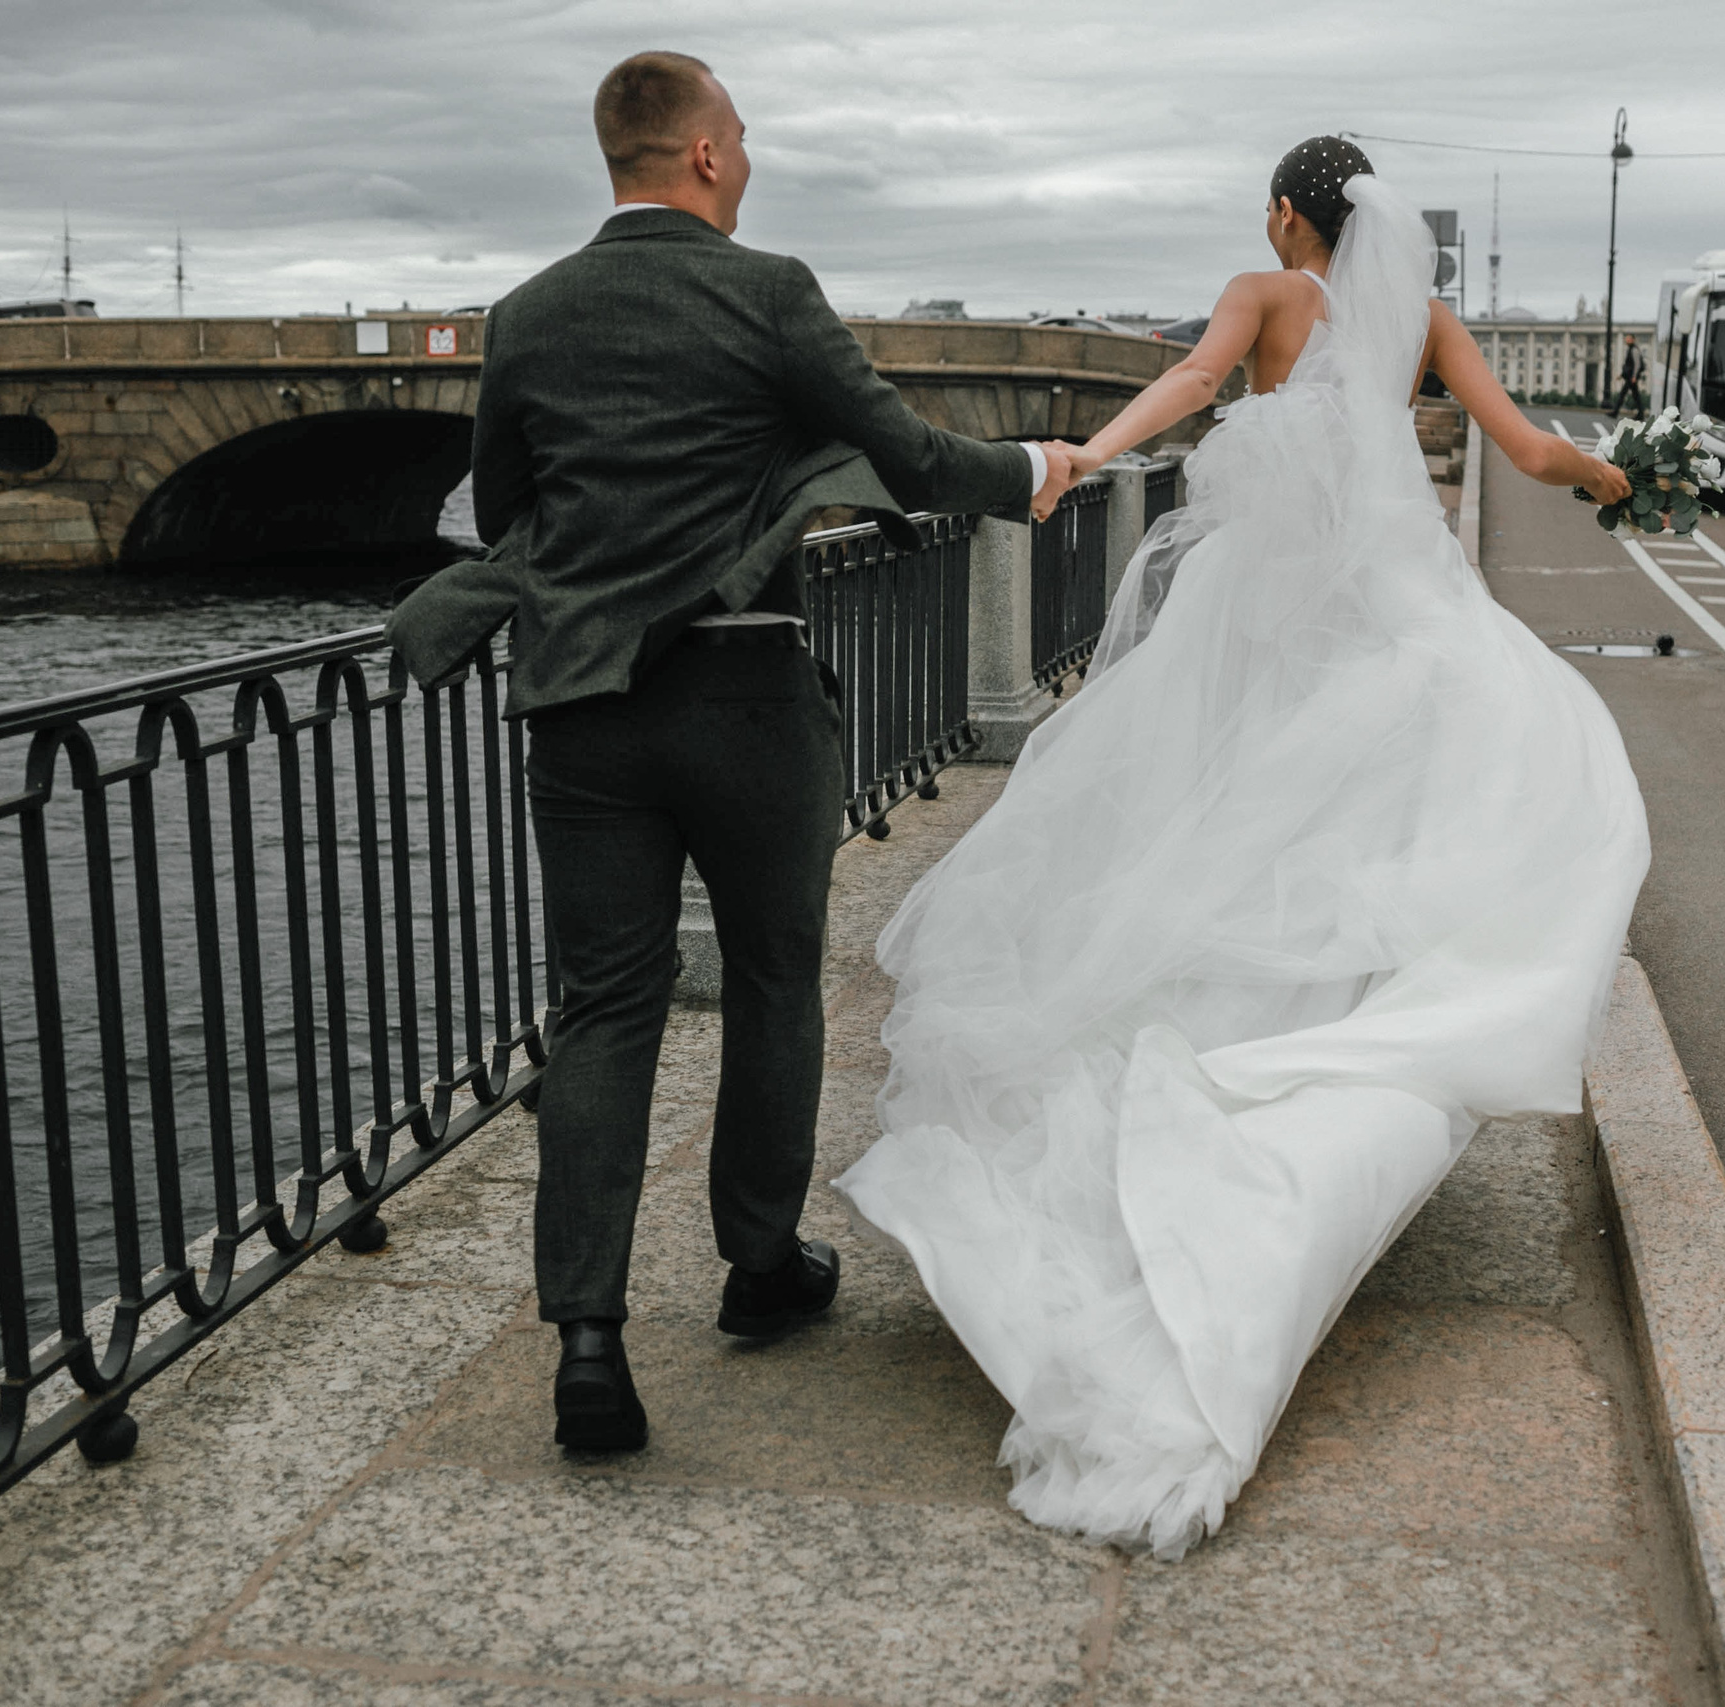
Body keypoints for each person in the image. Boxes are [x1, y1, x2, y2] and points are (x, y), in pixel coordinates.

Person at [836, 138, 1649, 1558]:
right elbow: (1524, 451)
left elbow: (1195, 385)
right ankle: (1344, 1034)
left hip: (1271, 618)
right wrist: (1615, 475)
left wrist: (1088, 449)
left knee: (1209, 825)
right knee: (1381, 831)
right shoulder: (1421, 323)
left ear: (1288, 215)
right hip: (1397, 616)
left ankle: (1221, 1057)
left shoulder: (1266, 295)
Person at [388, 51, 1074, 1454]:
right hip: (750, 698)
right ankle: (760, 1269)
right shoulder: (768, 292)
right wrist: (1031, 474)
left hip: (582, 710)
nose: (747, 158)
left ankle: (587, 1333)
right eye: (741, 138)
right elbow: (905, 450)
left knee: (607, 1005)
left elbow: (512, 509)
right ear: (701, 155)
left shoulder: (525, 314)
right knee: (770, 980)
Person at [1614, 333, 1646, 416]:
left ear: (1633, 340)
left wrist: (1634, 376)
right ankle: (1640, 414)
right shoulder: (1630, 349)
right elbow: (1629, 365)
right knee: (1635, 396)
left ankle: (1615, 412)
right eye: (1626, 339)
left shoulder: (1634, 350)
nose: (1626, 340)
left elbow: (1637, 364)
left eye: (1628, 339)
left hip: (1631, 377)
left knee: (1623, 394)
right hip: (1630, 377)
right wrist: (1621, 375)